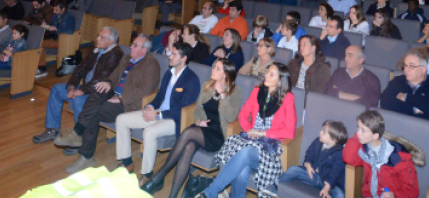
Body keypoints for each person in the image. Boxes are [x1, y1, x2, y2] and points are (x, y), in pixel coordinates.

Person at [141, 58, 243, 197]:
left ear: (225, 74)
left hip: (218, 133)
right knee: (188, 148)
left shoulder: (235, 91)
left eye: (217, 68)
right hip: (202, 128)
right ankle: (172, 195)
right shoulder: (208, 84)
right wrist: (199, 121)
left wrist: (222, 94)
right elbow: (198, 107)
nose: (212, 69)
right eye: (214, 67)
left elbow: (231, 117)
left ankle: (159, 176)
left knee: (188, 132)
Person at [57, 35, 160, 171]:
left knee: (93, 113)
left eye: (135, 45)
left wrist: (121, 98)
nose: (131, 47)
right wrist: (107, 82)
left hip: (129, 104)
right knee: (98, 89)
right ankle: (78, 134)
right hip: (113, 94)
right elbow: (114, 75)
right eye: (132, 44)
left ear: (144, 50)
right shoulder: (126, 58)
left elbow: (145, 90)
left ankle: (85, 154)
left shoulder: (151, 64)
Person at [198, 62, 296, 198]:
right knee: (243, 168)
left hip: (269, 149)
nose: (266, 75)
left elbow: (290, 131)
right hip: (250, 141)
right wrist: (250, 130)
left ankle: (210, 193)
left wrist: (262, 133)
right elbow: (243, 114)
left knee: (247, 152)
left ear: (280, 81)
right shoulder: (257, 91)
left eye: (271, 74)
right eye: (267, 72)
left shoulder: (288, 98)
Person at [115, 42, 200, 183]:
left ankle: (147, 175)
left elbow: (183, 110)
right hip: (159, 112)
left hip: (175, 120)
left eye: (174, 54)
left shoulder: (192, 80)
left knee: (149, 132)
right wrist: (150, 106)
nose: (169, 56)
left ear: (184, 58)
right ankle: (127, 162)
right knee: (121, 120)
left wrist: (159, 115)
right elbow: (160, 96)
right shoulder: (169, 73)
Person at [32, 27, 124, 152]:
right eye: (98, 35)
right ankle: (53, 129)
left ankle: (79, 138)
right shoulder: (97, 50)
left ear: (111, 41)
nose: (97, 38)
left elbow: (101, 77)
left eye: (102, 37)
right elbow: (80, 69)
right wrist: (72, 86)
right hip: (86, 88)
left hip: (99, 92)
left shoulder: (116, 54)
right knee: (56, 90)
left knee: (78, 99)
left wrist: (81, 91)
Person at [382, 51, 429, 166]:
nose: (406, 69)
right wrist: (416, 109)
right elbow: (385, 103)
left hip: (428, 136)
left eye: (411, 66)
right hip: (398, 132)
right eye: (405, 65)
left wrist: (406, 97)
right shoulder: (397, 81)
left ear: (423, 69)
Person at [343, 110, 423, 198]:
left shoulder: (399, 157)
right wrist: (357, 137)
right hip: (371, 195)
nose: (358, 132)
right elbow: (348, 158)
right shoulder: (365, 151)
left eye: (363, 130)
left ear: (375, 136)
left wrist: (394, 195)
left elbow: (412, 192)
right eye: (358, 127)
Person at [274, 120, 348, 198]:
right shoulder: (317, 142)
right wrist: (308, 165)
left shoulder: (339, 153)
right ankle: (276, 184)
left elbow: (335, 174)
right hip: (314, 177)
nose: (320, 132)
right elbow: (309, 155)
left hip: (331, 185)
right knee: (294, 169)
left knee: (340, 195)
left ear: (333, 139)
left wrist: (326, 188)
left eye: (324, 132)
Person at [36, 0, 75, 75]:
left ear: (63, 9)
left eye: (56, 10)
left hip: (61, 40)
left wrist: (57, 29)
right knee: (36, 41)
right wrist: (45, 25)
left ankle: (42, 69)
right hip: (52, 37)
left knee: (39, 44)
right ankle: (35, 65)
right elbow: (51, 25)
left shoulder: (70, 17)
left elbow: (70, 31)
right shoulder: (55, 15)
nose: (54, 12)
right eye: (54, 9)